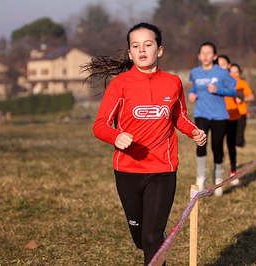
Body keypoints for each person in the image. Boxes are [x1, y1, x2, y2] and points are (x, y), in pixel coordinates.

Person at [84, 22, 206, 266]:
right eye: (136, 46)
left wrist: (193, 131)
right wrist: (116, 136)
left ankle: (156, 249)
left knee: (151, 238)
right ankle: (155, 244)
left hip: (163, 169)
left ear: (159, 50)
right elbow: (100, 125)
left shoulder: (173, 82)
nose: (142, 50)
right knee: (141, 238)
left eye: (148, 44)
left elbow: (178, 116)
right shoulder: (120, 84)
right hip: (127, 170)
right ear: (130, 53)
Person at [187, 43, 237, 195]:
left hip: (219, 115)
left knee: (217, 146)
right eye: (203, 53)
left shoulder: (221, 72)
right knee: (201, 143)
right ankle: (201, 176)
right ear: (199, 56)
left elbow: (234, 91)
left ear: (215, 56)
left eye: (209, 53)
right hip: (201, 113)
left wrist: (219, 90)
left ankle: (218, 178)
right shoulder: (195, 72)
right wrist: (191, 94)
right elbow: (195, 87)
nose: (206, 56)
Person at [217, 55, 241, 185]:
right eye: (218, 64)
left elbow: (242, 92)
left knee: (231, 143)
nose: (221, 67)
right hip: (218, 115)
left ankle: (233, 170)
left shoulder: (234, 79)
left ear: (229, 65)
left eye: (224, 64)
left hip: (232, 115)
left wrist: (240, 98)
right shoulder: (214, 79)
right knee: (218, 143)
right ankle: (219, 170)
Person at [229, 63, 255, 148]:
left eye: (236, 72)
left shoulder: (242, 83)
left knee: (238, 140)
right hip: (229, 113)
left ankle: (241, 142)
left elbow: (251, 97)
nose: (234, 75)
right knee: (230, 137)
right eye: (232, 72)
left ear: (240, 73)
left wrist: (243, 99)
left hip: (241, 113)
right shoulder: (225, 83)